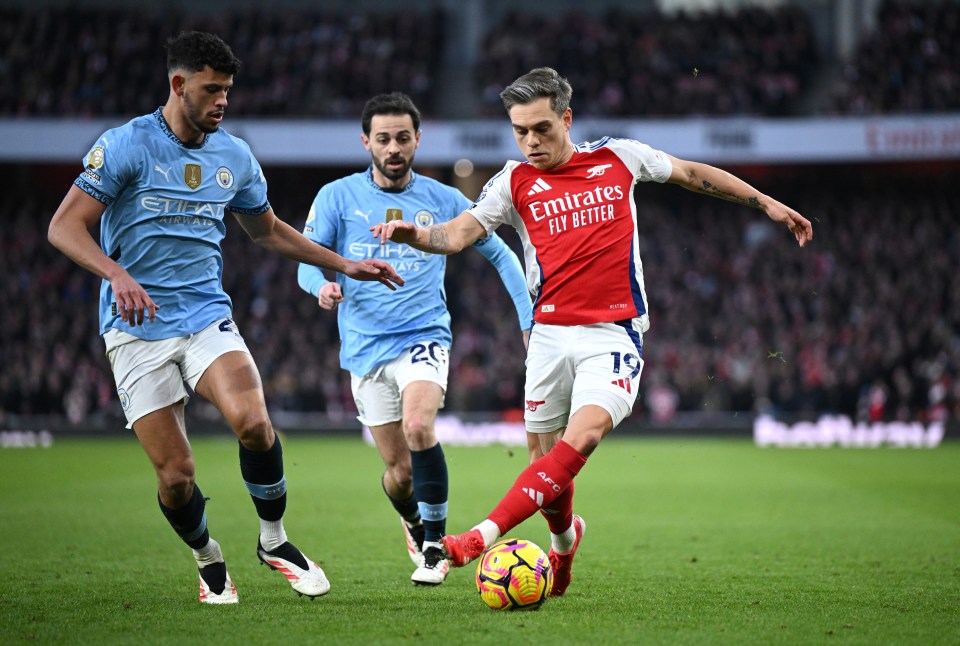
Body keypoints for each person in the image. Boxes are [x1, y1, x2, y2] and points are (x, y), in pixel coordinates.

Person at [373, 67, 813, 596]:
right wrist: (414, 234)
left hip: (613, 334)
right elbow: (456, 234)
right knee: (544, 465)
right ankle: (563, 544)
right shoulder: (512, 181)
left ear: (567, 117)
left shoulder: (617, 157)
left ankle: (477, 538)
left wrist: (764, 201)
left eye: (541, 128)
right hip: (548, 337)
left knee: (579, 439)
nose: (531, 142)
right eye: (520, 131)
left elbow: (691, 172)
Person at [47, 31, 403, 605]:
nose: (221, 102)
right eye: (211, 90)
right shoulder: (126, 146)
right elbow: (63, 227)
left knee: (255, 423)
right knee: (177, 475)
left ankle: (274, 541)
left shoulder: (233, 154)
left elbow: (265, 230)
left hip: (206, 314)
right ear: (178, 85)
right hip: (135, 328)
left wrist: (343, 263)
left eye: (227, 91)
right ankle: (208, 557)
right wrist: (115, 273)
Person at [298, 92, 533, 585]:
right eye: (383, 139)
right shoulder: (337, 197)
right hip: (364, 350)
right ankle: (411, 518)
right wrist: (322, 284)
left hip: (424, 335)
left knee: (420, 427)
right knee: (399, 473)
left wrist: (527, 318)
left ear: (417, 140)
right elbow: (306, 261)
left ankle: (434, 547)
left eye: (403, 138)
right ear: (366, 141)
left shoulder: (443, 199)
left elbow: (502, 255)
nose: (393, 148)